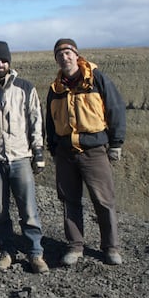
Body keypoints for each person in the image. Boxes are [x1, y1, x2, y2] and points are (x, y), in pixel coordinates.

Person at [46, 38, 126, 266]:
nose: (64, 57)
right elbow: (49, 121)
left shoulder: (97, 79)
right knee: (69, 201)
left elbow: (115, 108)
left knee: (103, 200)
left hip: (94, 151)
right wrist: (52, 147)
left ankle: (111, 247)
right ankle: (75, 246)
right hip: (65, 152)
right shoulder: (56, 88)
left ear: (77, 55)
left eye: (68, 53)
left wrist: (116, 143)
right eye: (59, 54)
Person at [0, 41, 48, 274]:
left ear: (9, 62)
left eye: (3, 60)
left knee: (29, 210)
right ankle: (7, 252)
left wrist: (38, 152)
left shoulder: (25, 88)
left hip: (20, 157)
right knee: (0, 211)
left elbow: (36, 120)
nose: (0, 64)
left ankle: (35, 254)